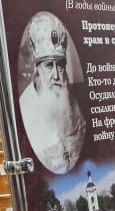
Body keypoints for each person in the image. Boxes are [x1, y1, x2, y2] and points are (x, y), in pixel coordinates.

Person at [18, 11, 88, 174]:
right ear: (38, 69)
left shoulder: (71, 100)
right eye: (49, 65)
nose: (56, 75)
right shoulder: (25, 106)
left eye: (60, 65)